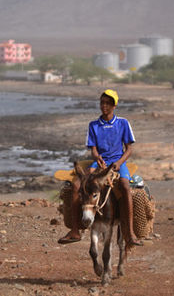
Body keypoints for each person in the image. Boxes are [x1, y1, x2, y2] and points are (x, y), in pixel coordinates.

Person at [58, 89, 141, 247]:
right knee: (77, 184)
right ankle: (75, 230)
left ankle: (129, 232)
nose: (104, 106)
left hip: (118, 161)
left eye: (108, 103)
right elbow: (93, 149)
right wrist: (97, 158)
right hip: (99, 161)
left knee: (125, 185)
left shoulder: (123, 123)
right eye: (102, 102)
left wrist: (118, 163)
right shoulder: (93, 125)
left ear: (114, 105)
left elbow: (129, 149)